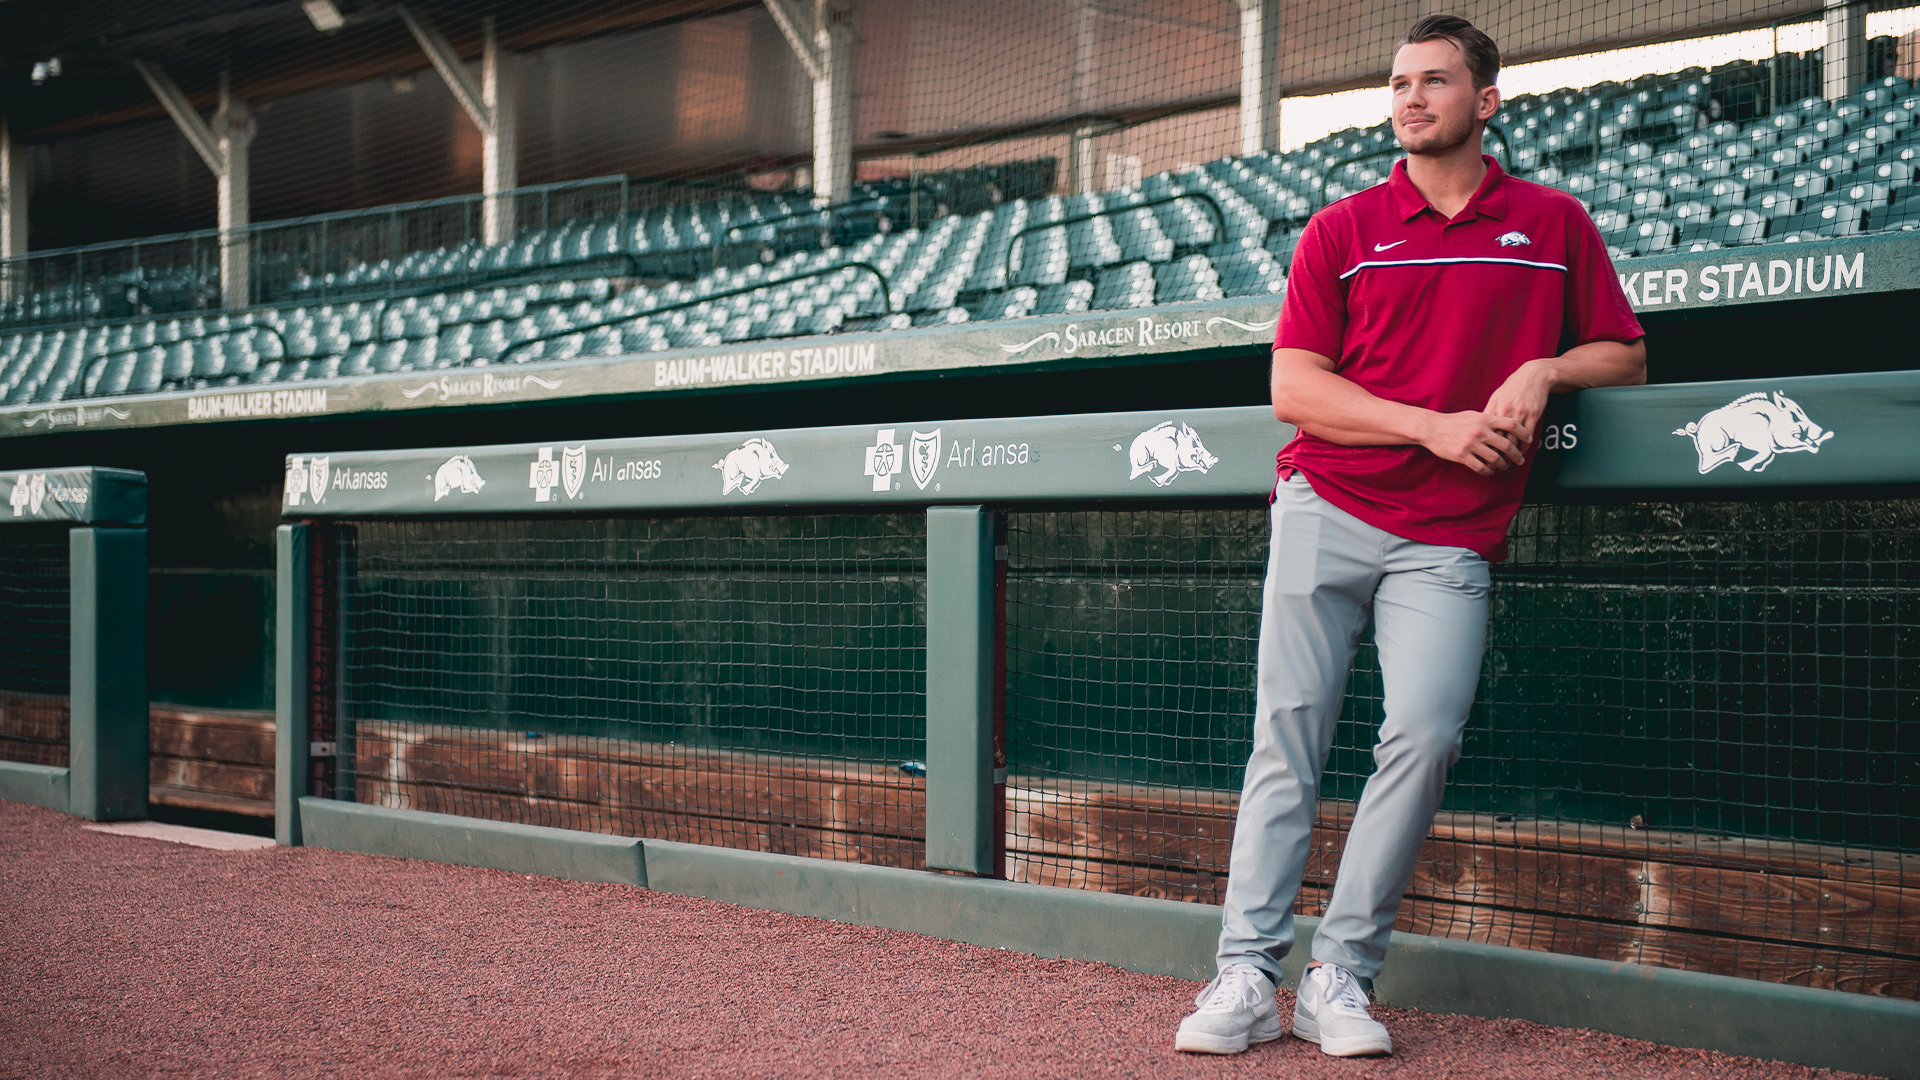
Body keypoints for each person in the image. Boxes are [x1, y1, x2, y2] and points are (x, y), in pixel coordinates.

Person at [1175, 13, 1647, 1059]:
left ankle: (1340, 975)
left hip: (1452, 536)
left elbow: (1625, 353)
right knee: (1286, 743)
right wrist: (1431, 424)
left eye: (1435, 82)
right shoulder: (1342, 229)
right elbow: (1293, 387)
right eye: (1398, 83)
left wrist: (1545, 367)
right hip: (1327, 507)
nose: (1411, 98)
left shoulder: (1553, 221)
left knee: (1424, 737)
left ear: (1486, 101)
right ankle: (1246, 979)